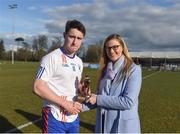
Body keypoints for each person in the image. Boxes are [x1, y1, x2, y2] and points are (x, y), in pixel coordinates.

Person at [33, 19, 86, 133]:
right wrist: (65, 104)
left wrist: (82, 89)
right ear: (64, 35)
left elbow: (74, 86)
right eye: (72, 36)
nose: (75, 42)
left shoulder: (79, 62)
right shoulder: (51, 58)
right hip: (54, 116)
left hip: (73, 116)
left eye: (79, 38)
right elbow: (38, 87)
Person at [86, 34, 142, 133]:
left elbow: (127, 102)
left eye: (115, 47)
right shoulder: (105, 70)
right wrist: (78, 106)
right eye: (108, 48)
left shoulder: (133, 70)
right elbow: (98, 98)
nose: (111, 51)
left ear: (123, 48)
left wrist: (98, 99)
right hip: (103, 125)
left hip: (123, 127)